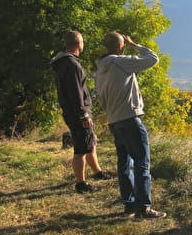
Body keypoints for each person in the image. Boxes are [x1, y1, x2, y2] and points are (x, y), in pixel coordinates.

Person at [95, 32, 166, 219]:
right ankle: (143, 207)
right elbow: (152, 59)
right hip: (130, 118)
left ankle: (129, 204)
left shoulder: (100, 69)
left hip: (114, 120)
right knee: (142, 162)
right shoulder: (121, 61)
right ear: (121, 46)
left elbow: (100, 99)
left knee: (124, 163)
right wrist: (135, 44)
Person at [50, 30, 111, 193]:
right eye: (82, 42)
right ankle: (81, 184)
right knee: (81, 147)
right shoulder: (72, 64)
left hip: (73, 111)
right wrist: (83, 114)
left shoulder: (63, 62)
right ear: (78, 44)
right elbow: (75, 92)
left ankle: (97, 172)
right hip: (77, 112)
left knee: (89, 141)